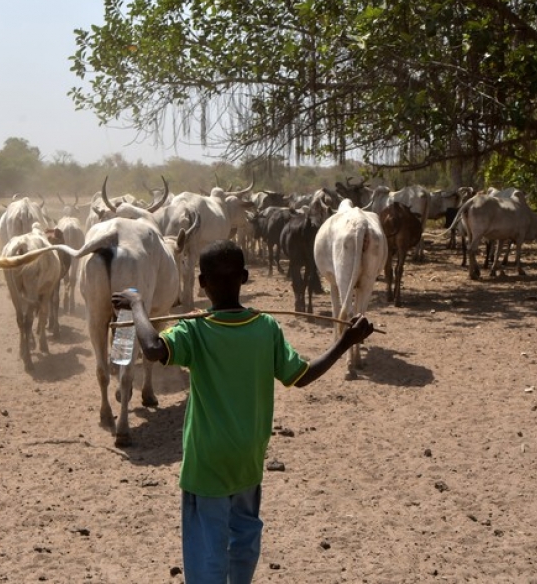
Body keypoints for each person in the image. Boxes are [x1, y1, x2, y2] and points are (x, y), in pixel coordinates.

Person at [111, 240, 374, 584]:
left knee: (208, 549)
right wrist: (345, 342)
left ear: (202, 283)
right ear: (245, 278)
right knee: (244, 539)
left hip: (206, 463)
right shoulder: (266, 327)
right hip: (249, 458)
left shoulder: (194, 330)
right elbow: (303, 375)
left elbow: (151, 347)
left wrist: (137, 304)